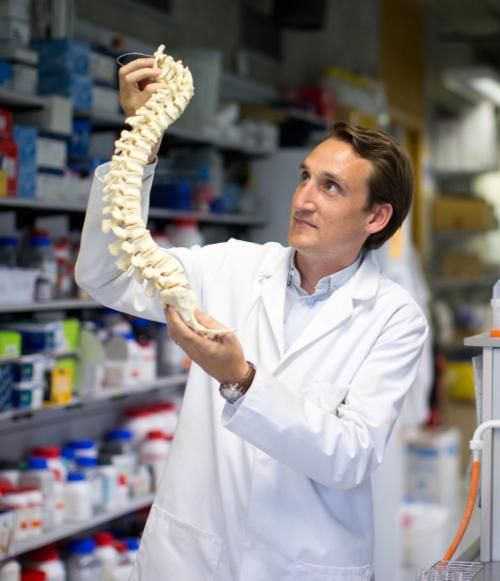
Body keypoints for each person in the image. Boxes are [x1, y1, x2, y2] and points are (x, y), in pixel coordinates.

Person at [75, 57, 428, 581]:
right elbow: (107, 274)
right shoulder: (231, 266)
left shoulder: (394, 318)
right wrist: (141, 142)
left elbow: (349, 456)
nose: (303, 199)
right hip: (193, 556)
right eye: (305, 177)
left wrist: (241, 380)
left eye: (331, 187)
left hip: (301, 564)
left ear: (376, 216)